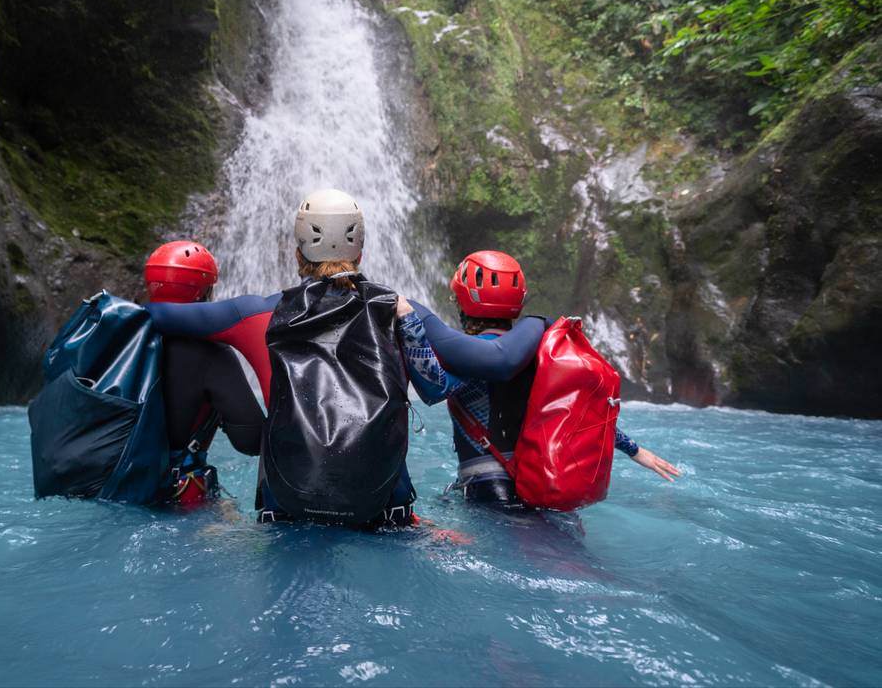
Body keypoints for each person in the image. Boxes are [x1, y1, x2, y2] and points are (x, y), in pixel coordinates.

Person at [146, 190, 420, 525]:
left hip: (289, 510)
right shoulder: (399, 311)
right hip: (382, 509)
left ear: (297, 254)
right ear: (359, 253)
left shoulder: (255, 313)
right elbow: (490, 359)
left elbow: (159, 315)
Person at [397, 250, 681, 506]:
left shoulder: (470, 358)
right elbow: (575, 413)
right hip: (538, 481)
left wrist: (410, 324)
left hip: (489, 488)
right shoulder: (543, 354)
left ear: (462, 302)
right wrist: (634, 449)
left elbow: (434, 386)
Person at [144, 241, 263, 505]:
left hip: (118, 485)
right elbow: (251, 441)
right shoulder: (212, 353)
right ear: (203, 291)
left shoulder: (123, 338)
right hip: (180, 498)